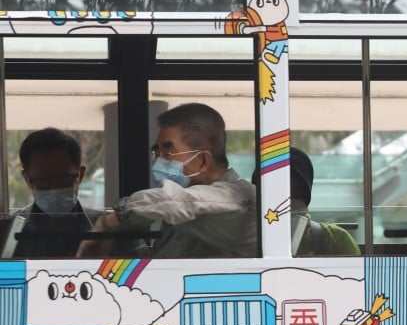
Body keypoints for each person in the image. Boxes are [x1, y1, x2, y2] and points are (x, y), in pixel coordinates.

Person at [76, 102, 257, 258]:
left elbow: (173, 200)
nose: (159, 162)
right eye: (157, 153)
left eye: (168, 152)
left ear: (203, 160)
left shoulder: (239, 199)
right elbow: (163, 258)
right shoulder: (181, 213)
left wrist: (107, 224)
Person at [12, 127, 104, 258]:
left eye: (64, 180)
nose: (54, 190)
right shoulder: (7, 232)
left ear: (80, 174)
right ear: (27, 179)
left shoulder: (109, 231)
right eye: (44, 181)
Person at [252, 147, 360, 256]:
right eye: (277, 192)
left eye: (297, 194)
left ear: (306, 197)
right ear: (257, 193)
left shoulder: (335, 240)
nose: (286, 203)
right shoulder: (240, 239)